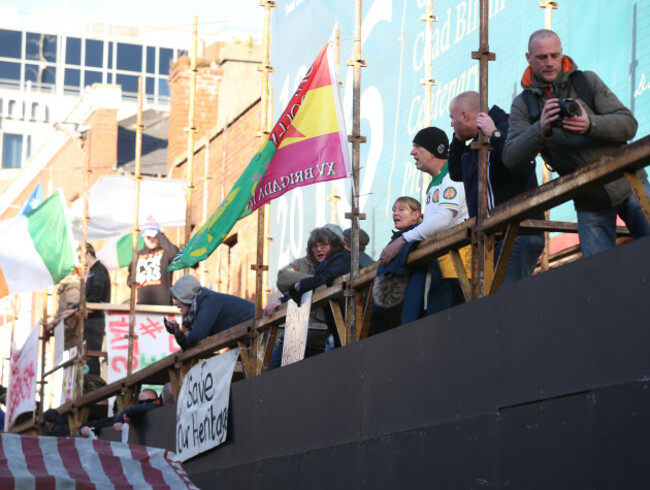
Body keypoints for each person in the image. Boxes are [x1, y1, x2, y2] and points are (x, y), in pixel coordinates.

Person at [503, 29, 650, 258]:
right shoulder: (524, 105)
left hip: (630, 185)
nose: (550, 63)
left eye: (555, 55)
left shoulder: (585, 80)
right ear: (528, 58)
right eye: (542, 58)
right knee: (599, 279)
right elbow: (511, 158)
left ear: (562, 53)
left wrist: (590, 124)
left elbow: (628, 124)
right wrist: (540, 129)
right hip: (589, 201)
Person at [448, 90, 545, 281]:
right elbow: (457, 173)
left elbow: (524, 166)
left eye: (452, 118)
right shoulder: (476, 143)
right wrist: (458, 140)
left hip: (516, 234)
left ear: (465, 115)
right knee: (497, 304)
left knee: (509, 303)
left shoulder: (507, 127)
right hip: (494, 236)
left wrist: (495, 135)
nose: (451, 124)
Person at [379, 127, 471, 320]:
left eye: (417, 147)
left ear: (433, 151)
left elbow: (443, 219)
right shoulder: (436, 181)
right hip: (442, 269)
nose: (413, 152)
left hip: (458, 269)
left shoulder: (451, 175)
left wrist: (403, 240)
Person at [267, 227, 345, 368]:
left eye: (323, 244)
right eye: (315, 245)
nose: (318, 249)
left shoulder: (338, 263)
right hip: (294, 336)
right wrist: (316, 281)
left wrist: (307, 284)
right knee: (272, 376)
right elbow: (283, 275)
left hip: (322, 338)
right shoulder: (299, 264)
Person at [369, 196, 422, 336]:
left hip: (401, 311)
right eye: (394, 210)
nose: (395, 213)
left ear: (415, 215)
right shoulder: (397, 240)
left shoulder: (416, 237)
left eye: (401, 209)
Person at [164, 275, 255, 350]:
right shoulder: (200, 305)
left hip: (263, 335)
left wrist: (183, 335)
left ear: (186, 296)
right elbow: (189, 345)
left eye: (177, 298)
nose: (174, 303)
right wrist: (178, 334)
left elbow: (195, 338)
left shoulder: (208, 301)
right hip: (250, 341)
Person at [130, 216, 179, 305]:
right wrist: (134, 280)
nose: (151, 240)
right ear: (143, 237)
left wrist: (158, 235)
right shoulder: (137, 254)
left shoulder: (165, 251)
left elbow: (176, 255)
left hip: (163, 306)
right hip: (142, 305)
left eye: (153, 237)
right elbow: (130, 277)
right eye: (148, 237)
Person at [81, 243, 111, 376]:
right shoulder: (94, 271)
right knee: (88, 356)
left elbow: (95, 296)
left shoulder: (98, 271)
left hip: (95, 319)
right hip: (92, 318)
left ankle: (92, 385)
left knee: (92, 356)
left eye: (79, 256)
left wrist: (79, 307)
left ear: (88, 254)